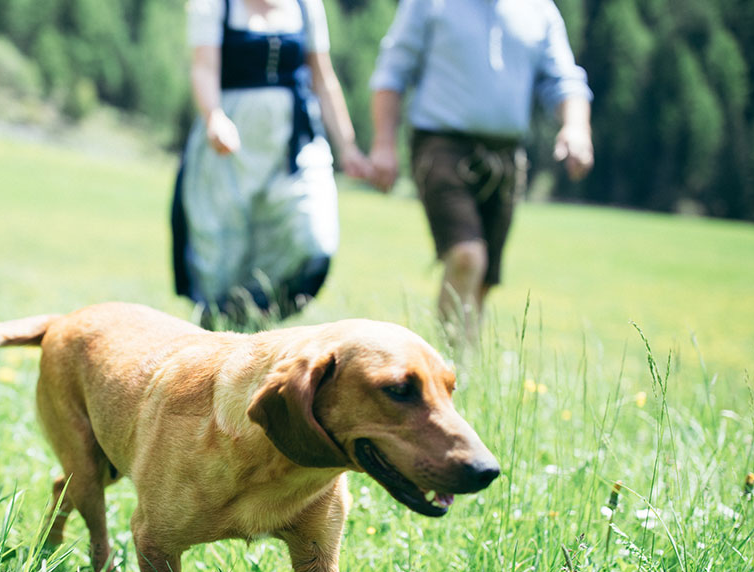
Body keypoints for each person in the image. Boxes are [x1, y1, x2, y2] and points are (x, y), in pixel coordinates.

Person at [367, 0, 594, 348]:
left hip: (506, 155)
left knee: (483, 281)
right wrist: (384, 144)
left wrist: (576, 127)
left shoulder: (540, 9)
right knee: (466, 258)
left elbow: (564, 80)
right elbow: (392, 72)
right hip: (441, 145)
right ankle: (447, 373)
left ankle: (465, 374)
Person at [172, 0, 372, 327]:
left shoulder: (306, 6)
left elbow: (323, 79)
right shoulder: (214, 5)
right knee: (223, 259)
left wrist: (347, 147)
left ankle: (258, 323)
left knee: (315, 240)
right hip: (229, 142)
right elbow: (204, 68)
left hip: (292, 143)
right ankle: (220, 336)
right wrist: (214, 117)